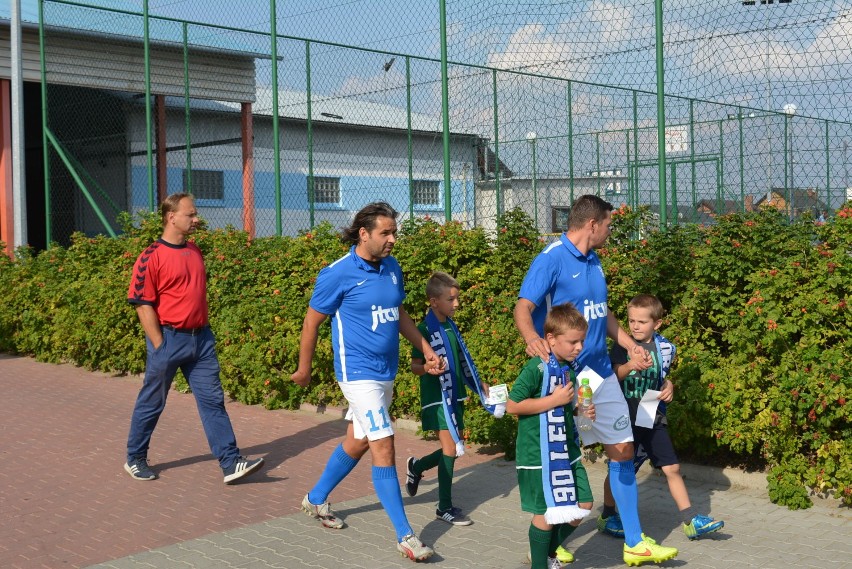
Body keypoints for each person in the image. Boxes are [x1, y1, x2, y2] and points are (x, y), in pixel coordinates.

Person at [514, 194, 678, 566]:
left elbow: (601, 313)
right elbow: (523, 307)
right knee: (566, 463)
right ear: (592, 224)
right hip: (569, 381)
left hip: (603, 375)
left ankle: (634, 541)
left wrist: (628, 344)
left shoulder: (595, 260)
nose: (609, 230)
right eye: (608, 223)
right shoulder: (550, 259)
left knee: (621, 450)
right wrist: (531, 338)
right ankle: (547, 542)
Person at [291, 202, 446, 562]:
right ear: (364, 234)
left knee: (358, 442)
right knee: (384, 445)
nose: (393, 239)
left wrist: (424, 350)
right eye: (386, 233)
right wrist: (304, 369)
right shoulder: (337, 274)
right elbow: (312, 322)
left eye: (395, 232)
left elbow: (399, 313)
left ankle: (315, 500)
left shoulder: (392, 267)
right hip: (357, 375)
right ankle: (406, 536)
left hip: (385, 372)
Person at [125, 192, 264, 484]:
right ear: (171, 217)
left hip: (201, 340)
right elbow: (141, 303)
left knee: (213, 401)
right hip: (169, 339)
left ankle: (230, 463)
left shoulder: (194, 251)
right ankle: (135, 458)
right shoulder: (151, 256)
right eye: (190, 214)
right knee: (152, 401)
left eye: (195, 213)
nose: (196, 218)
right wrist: (160, 345)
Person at [598, 294, 724, 541]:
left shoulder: (667, 348)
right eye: (631, 320)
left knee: (672, 467)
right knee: (622, 469)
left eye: (641, 322)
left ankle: (690, 522)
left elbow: (661, 378)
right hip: (625, 416)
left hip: (650, 413)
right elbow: (611, 378)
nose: (634, 326)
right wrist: (629, 366)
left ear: (657, 324)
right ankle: (607, 515)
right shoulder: (621, 346)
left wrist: (669, 385)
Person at [507, 303, 594, 569]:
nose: (579, 347)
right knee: (545, 514)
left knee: (584, 504)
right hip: (538, 452)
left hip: (566, 450)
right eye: (573, 342)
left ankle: (546, 551)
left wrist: (581, 410)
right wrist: (552, 400)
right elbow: (513, 406)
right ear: (551, 339)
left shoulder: (571, 366)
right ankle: (540, 564)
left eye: (582, 341)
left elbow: (567, 404)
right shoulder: (536, 368)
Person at [406, 271, 495, 527]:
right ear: (434, 301)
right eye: (451, 299)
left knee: (453, 449)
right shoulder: (423, 330)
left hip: (455, 395)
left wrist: (479, 384)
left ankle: (417, 467)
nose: (456, 304)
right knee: (450, 448)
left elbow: (462, 361)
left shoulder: (450, 326)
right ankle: (443, 507)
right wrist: (427, 368)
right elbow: (414, 366)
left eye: (457, 299)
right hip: (437, 398)